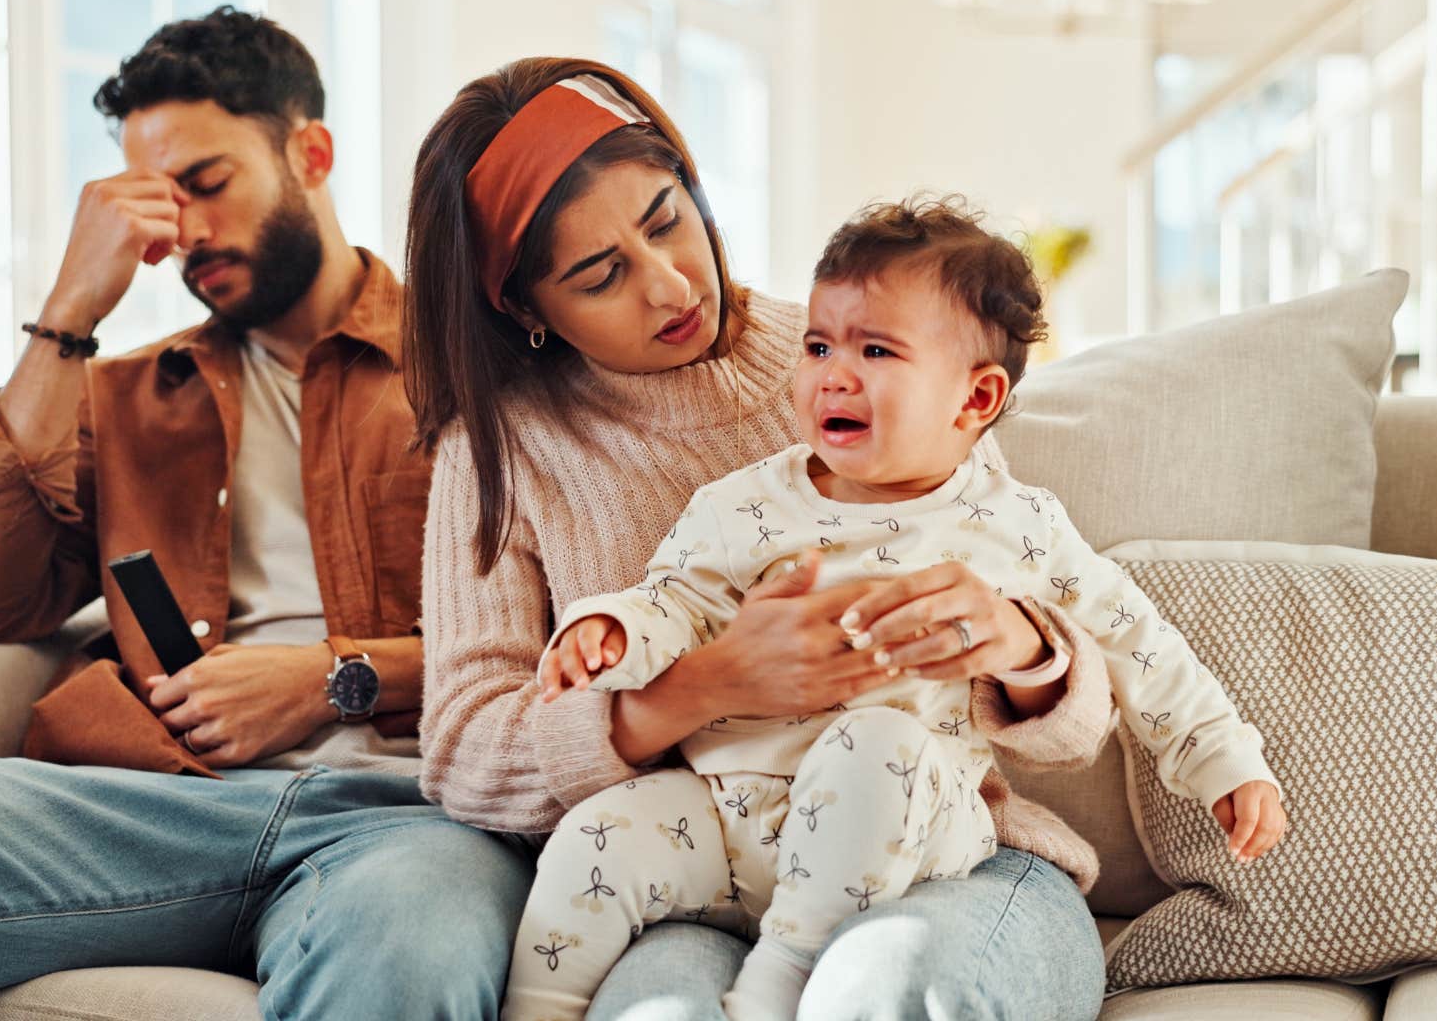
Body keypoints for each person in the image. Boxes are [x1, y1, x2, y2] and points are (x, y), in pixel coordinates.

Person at [0, 7, 531, 1021]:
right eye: (160, 204)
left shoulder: (484, 368)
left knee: (402, 967)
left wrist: (335, 679)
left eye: (209, 184)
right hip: (152, 797)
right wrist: (70, 309)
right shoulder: (126, 397)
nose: (189, 234)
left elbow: (582, 630)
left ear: (311, 152)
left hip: (412, 810)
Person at [403, 57, 1111, 1020]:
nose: (669, 286)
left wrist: (1024, 652)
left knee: (887, 993)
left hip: (952, 861)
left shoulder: (866, 354)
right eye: (601, 275)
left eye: (665, 220)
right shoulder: (502, 454)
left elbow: (1082, 693)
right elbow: (461, 750)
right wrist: (702, 688)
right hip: (702, 878)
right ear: (527, 311)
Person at [502, 195, 1288, 1020]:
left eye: (875, 349)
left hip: (912, 822)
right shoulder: (742, 505)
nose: (832, 374)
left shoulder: (1016, 527)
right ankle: (538, 1006)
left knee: (875, 741)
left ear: (975, 401)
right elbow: (675, 602)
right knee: (596, 835)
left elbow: (1139, 644)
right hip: (732, 816)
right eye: (818, 345)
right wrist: (613, 630)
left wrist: (1224, 760)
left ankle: (782, 977)